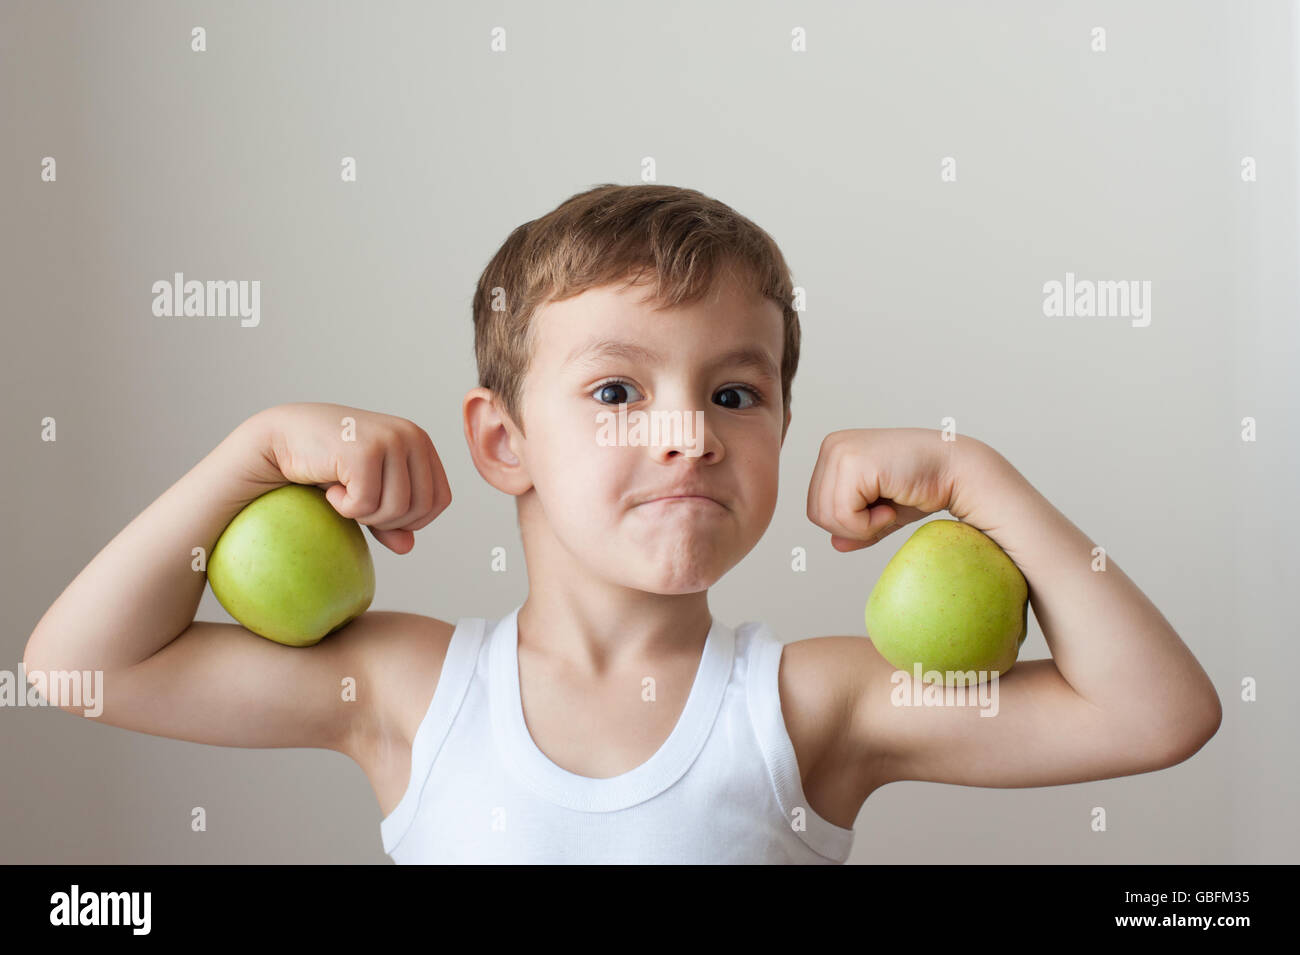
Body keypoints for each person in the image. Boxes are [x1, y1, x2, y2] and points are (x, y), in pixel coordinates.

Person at [23, 184, 1221, 864]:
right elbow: (79, 665)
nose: (689, 434)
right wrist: (254, 449)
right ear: (502, 441)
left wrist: (976, 477)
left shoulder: (811, 706)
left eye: (734, 393)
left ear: (782, 430)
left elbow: (1156, 713)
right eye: (615, 392)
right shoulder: (410, 688)